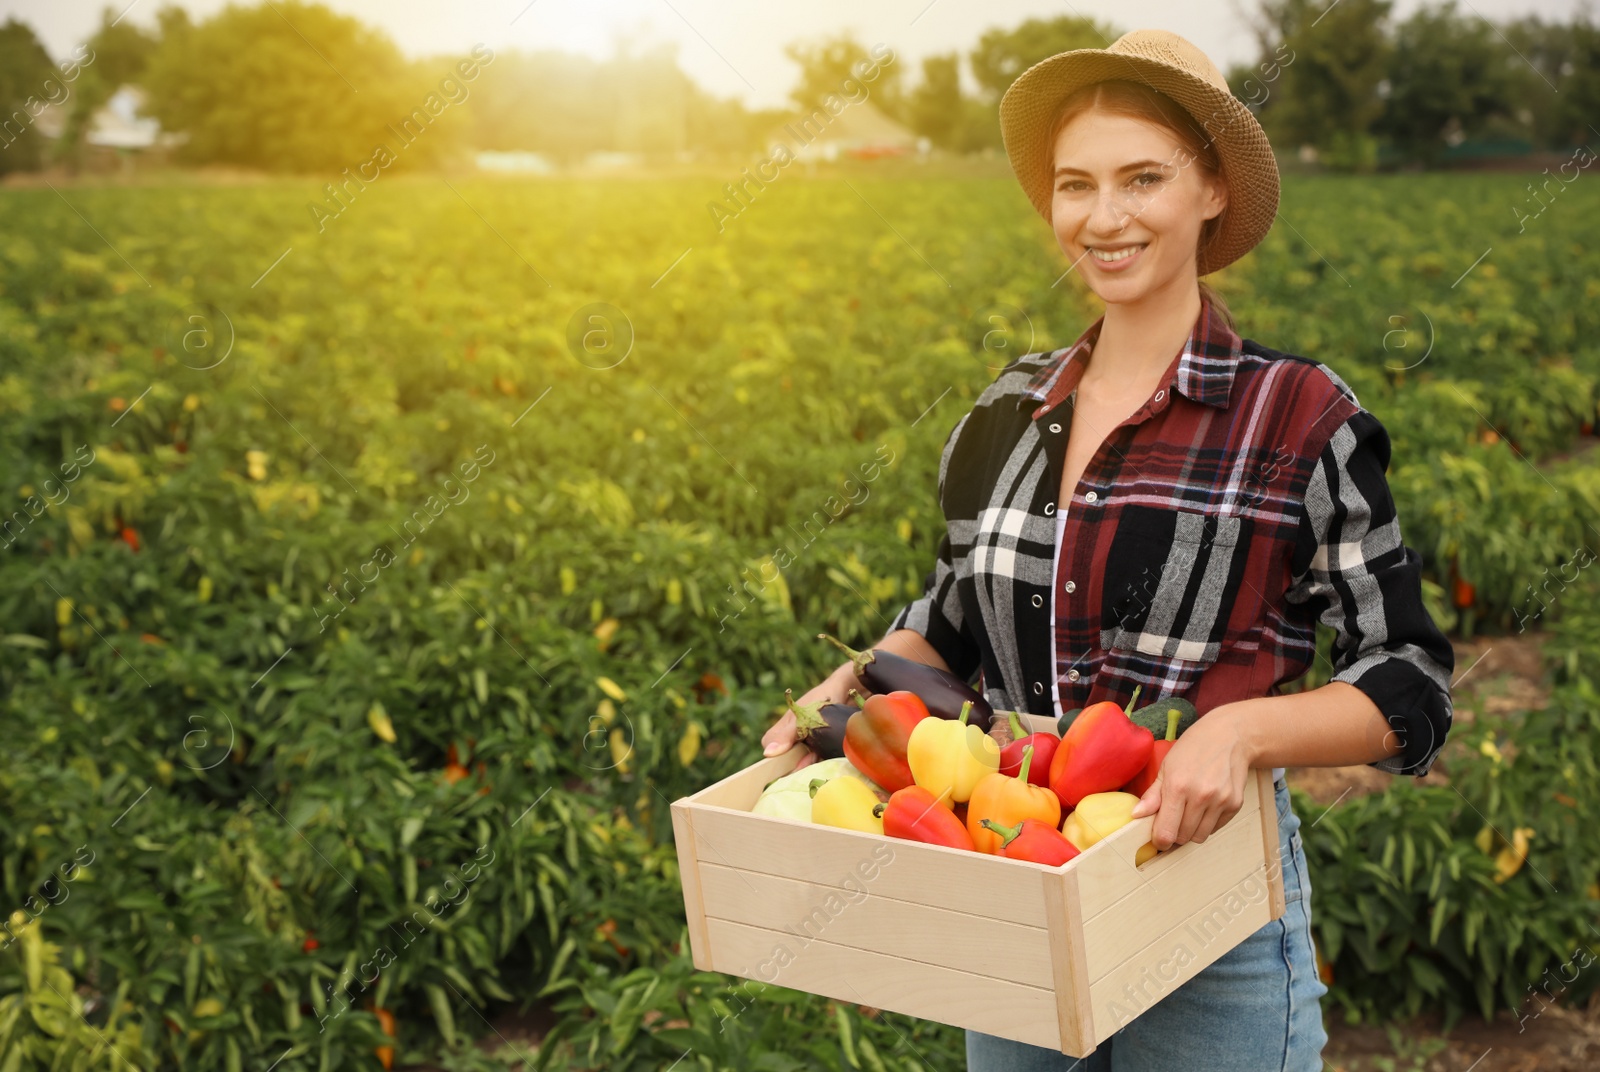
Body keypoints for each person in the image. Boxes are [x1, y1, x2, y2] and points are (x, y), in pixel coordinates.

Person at [761, 27, 1455, 1072]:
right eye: (1075, 184)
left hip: (1203, 910)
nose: (1104, 216)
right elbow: (951, 617)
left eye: (1143, 177)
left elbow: (1409, 685)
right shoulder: (1006, 409)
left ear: (1210, 189)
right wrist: (859, 680)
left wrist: (1241, 734)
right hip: (1012, 886)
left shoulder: (1296, 417)